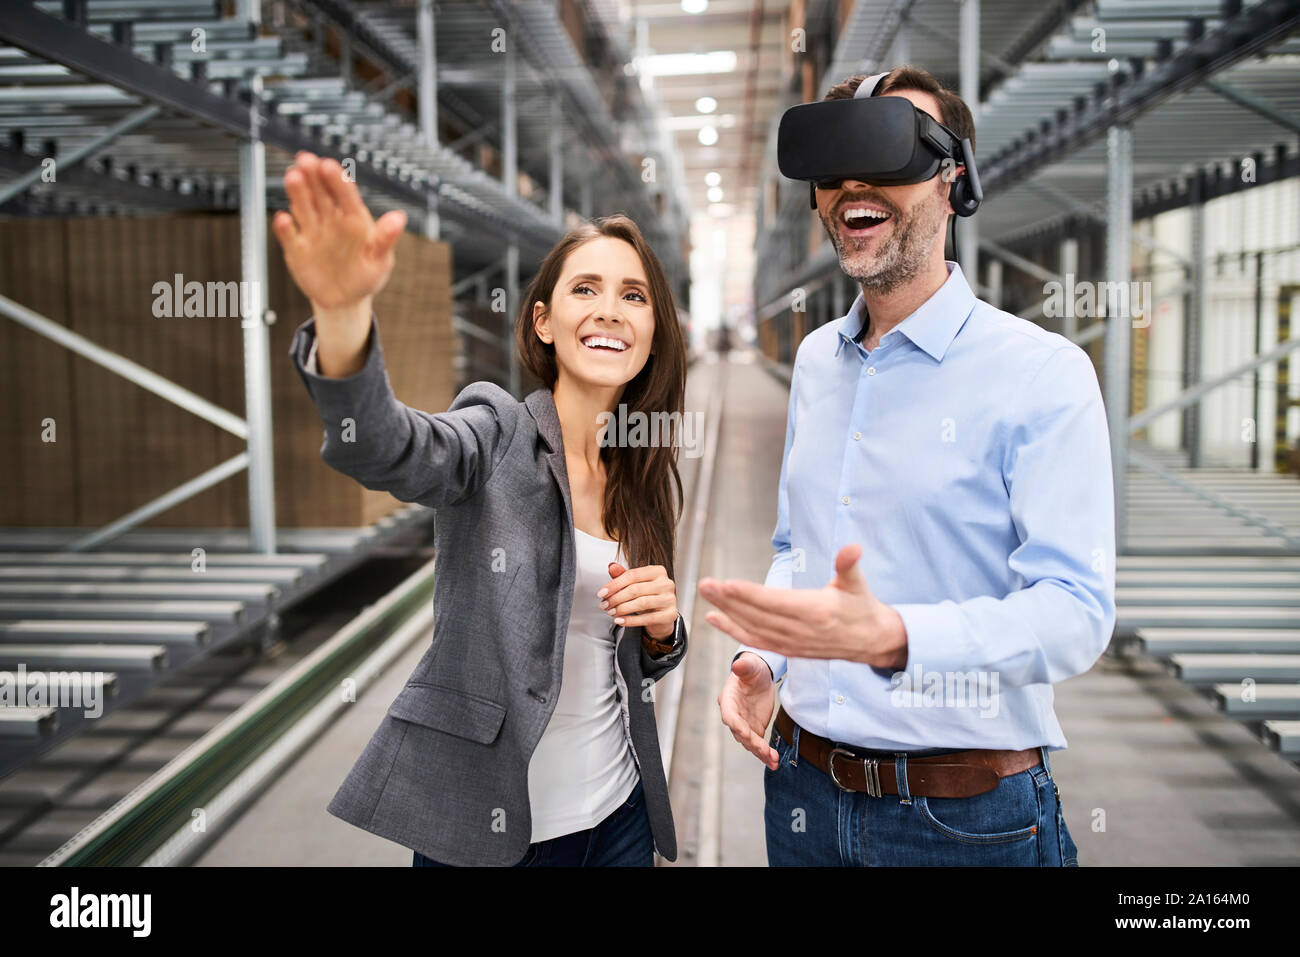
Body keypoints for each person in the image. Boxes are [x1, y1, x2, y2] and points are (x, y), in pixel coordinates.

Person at [704, 66, 1115, 866]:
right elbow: (801, 550)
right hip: (802, 790)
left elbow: (1075, 609)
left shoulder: (1042, 372)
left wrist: (898, 637)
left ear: (954, 179)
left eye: (890, 157)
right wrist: (768, 657)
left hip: (962, 820)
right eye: (834, 167)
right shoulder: (821, 361)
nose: (855, 185)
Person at [276, 151, 690, 867]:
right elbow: (388, 447)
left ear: (653, 328)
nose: (609, 310)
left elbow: (625, 653)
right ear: (544, 321)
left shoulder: (641, 469)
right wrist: (343, 313)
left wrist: (665, 631)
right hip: (494, 834)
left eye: (633, 295)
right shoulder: (496, 431)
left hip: (620, 816)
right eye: (585, 288)